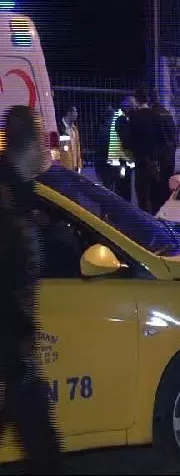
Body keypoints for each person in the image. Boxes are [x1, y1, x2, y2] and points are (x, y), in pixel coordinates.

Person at [0, 105, 62, 474]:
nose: (46, 150)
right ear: (32, 145)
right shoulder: (7, 203)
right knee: (43, 446)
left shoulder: (21, 196)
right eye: (42, 141)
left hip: (14, 350)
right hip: (10, 347)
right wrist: (17, 348)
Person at [129, 87, 161, 213]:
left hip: (141, 162)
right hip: (155, 162)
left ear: (136, 100)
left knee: (143, 197)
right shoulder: (156, 115)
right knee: (155, 197)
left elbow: (130, 140)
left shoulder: (135, 117)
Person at [105, 96, 137, 200]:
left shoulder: (121, 118)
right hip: (120, 161)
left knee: (123, 190)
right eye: (133, 107)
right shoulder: (121, 119)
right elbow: (126, 140)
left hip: (121, 161)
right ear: (127, 107)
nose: (135, 110)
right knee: (122, 192)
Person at [151, 95, 177, 211]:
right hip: (169, 156)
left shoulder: (152, 115)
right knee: (168, 185)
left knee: (157, 188)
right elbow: (173, 135)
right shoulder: (168, 114)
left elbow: (153, 139)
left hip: (158, 158)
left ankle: (158, 211)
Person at [59, 105, 83, 173]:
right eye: (75, 112)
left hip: (75, 169)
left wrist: (79, 165)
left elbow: (78, 148)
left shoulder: (75, 129)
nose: (77, 114)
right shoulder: (59, 128)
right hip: (64, 170)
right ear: (69, 113)